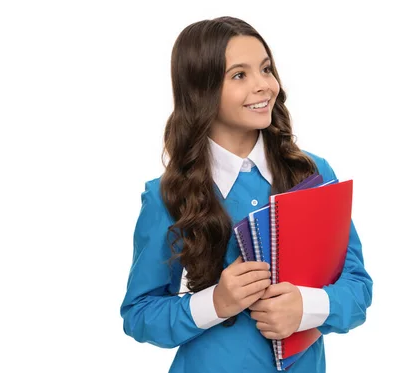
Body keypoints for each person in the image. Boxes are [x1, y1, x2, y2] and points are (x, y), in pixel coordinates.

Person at [120, 16, 373, 373]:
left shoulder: (313, 174)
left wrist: (306, 307)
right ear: (201, 91)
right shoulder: (167, 195)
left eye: (266, 69)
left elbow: (358, 288)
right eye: (240, 75)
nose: (264, 86)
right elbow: (140, 314)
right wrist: (216, 302)